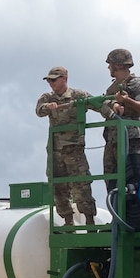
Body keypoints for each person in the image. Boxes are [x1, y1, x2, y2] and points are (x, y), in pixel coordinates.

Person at [34, 66, 99, 226]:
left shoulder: (78, 96)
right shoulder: (47, 97)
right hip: (55, 151)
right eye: (49, 80)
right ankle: (68, 221)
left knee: (81, 186)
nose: (51, 83)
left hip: (74, 151)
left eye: (54, 79)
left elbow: (98, 104)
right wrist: (48, 107)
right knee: (58, 186)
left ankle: (90, 221)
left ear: (64, 78)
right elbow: (39, 111)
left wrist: (114, 109)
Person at [100, 48, 140, 223]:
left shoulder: (137, 83)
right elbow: (103, 106)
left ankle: (135, 218)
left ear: (118, 65)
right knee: (111, 178)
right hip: (112, 138)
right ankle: (117, 217)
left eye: (110, 65)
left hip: (130, 137)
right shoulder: (111, 88)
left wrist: (127, 101)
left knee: (132, 178)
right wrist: (113, 106)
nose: (109, 68)